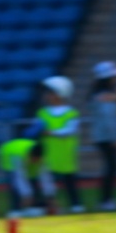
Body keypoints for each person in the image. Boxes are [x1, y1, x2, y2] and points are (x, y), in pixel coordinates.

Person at [34, 76, 83, 214]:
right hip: (49, 152)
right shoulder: (43, 113)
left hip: (65, 152)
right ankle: (51, 206)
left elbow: (71, 130)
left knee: (69, 180)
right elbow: (37, 128)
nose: (48, 95)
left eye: (51, 92)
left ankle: (75, 204)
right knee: (47, 182)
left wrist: (51, 132)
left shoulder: (71, 112)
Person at [88, 60, 116, 211]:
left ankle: (106, 199)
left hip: (102, 136)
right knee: (112, 168)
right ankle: (106, 200)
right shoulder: (104, 96)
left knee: (111, 168)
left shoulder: (97, 95)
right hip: (107, 137)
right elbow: (109, 118)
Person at [0, 134, 43, 217]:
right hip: (10, 156)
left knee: (32, 182)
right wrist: (27, 195)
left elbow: (45, 177)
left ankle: (32, 206)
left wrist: (50, 196)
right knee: (15, 185)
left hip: (24, 157)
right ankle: (15, 209)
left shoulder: (41, 153)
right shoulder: (17, 155)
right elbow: (19, 178)